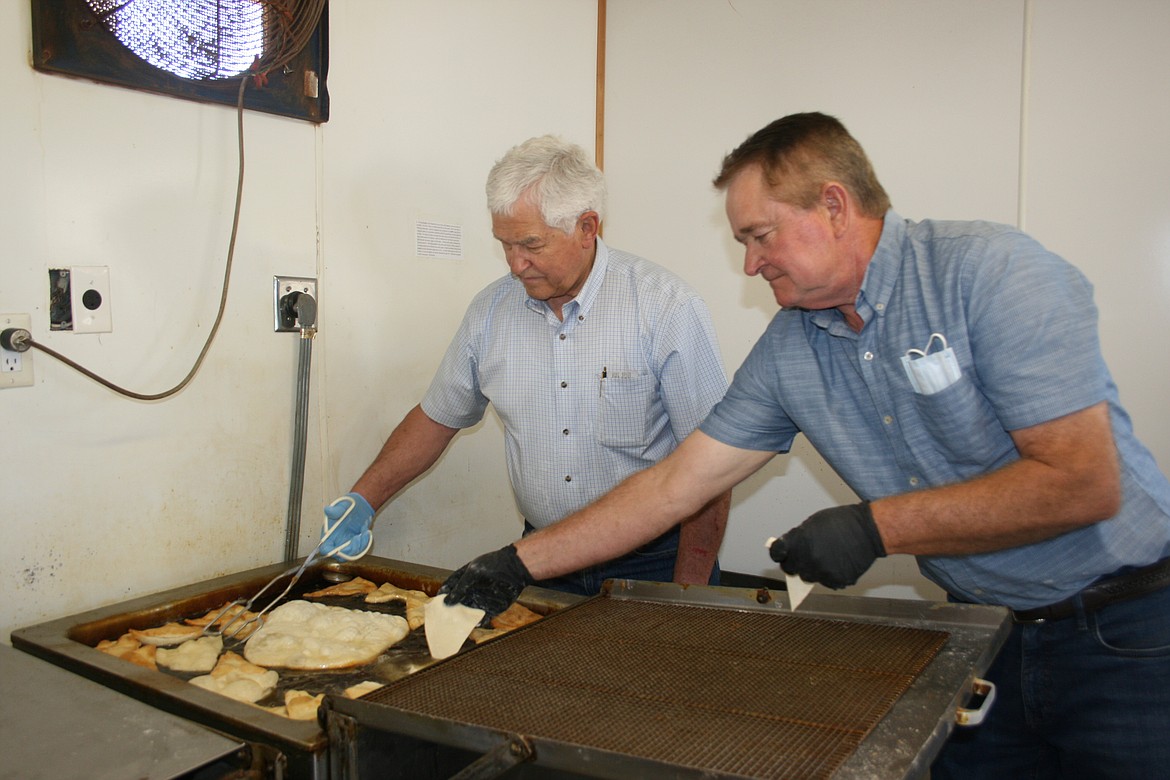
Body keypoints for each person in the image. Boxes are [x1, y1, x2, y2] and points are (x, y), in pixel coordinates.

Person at [439, 113, 1170, 778]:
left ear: (833, 206)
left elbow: (1082, 482)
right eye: (743, 245)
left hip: (1125, 632)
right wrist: (516, 562)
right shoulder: (791, 348)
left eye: (760, 237)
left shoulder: (990, 273)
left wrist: (875, 527)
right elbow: (675, 485)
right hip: (982, 636)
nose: (751, 266)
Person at [321, 134, 731, 595]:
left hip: (653, 562)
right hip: (541, 556)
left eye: (531, 245)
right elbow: (436, 418)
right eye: (505, 245)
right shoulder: (490, 313)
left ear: (586, 227)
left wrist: (689, 592)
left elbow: (712, 465)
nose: (516, 265)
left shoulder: (665, 309)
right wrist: (363, 499)